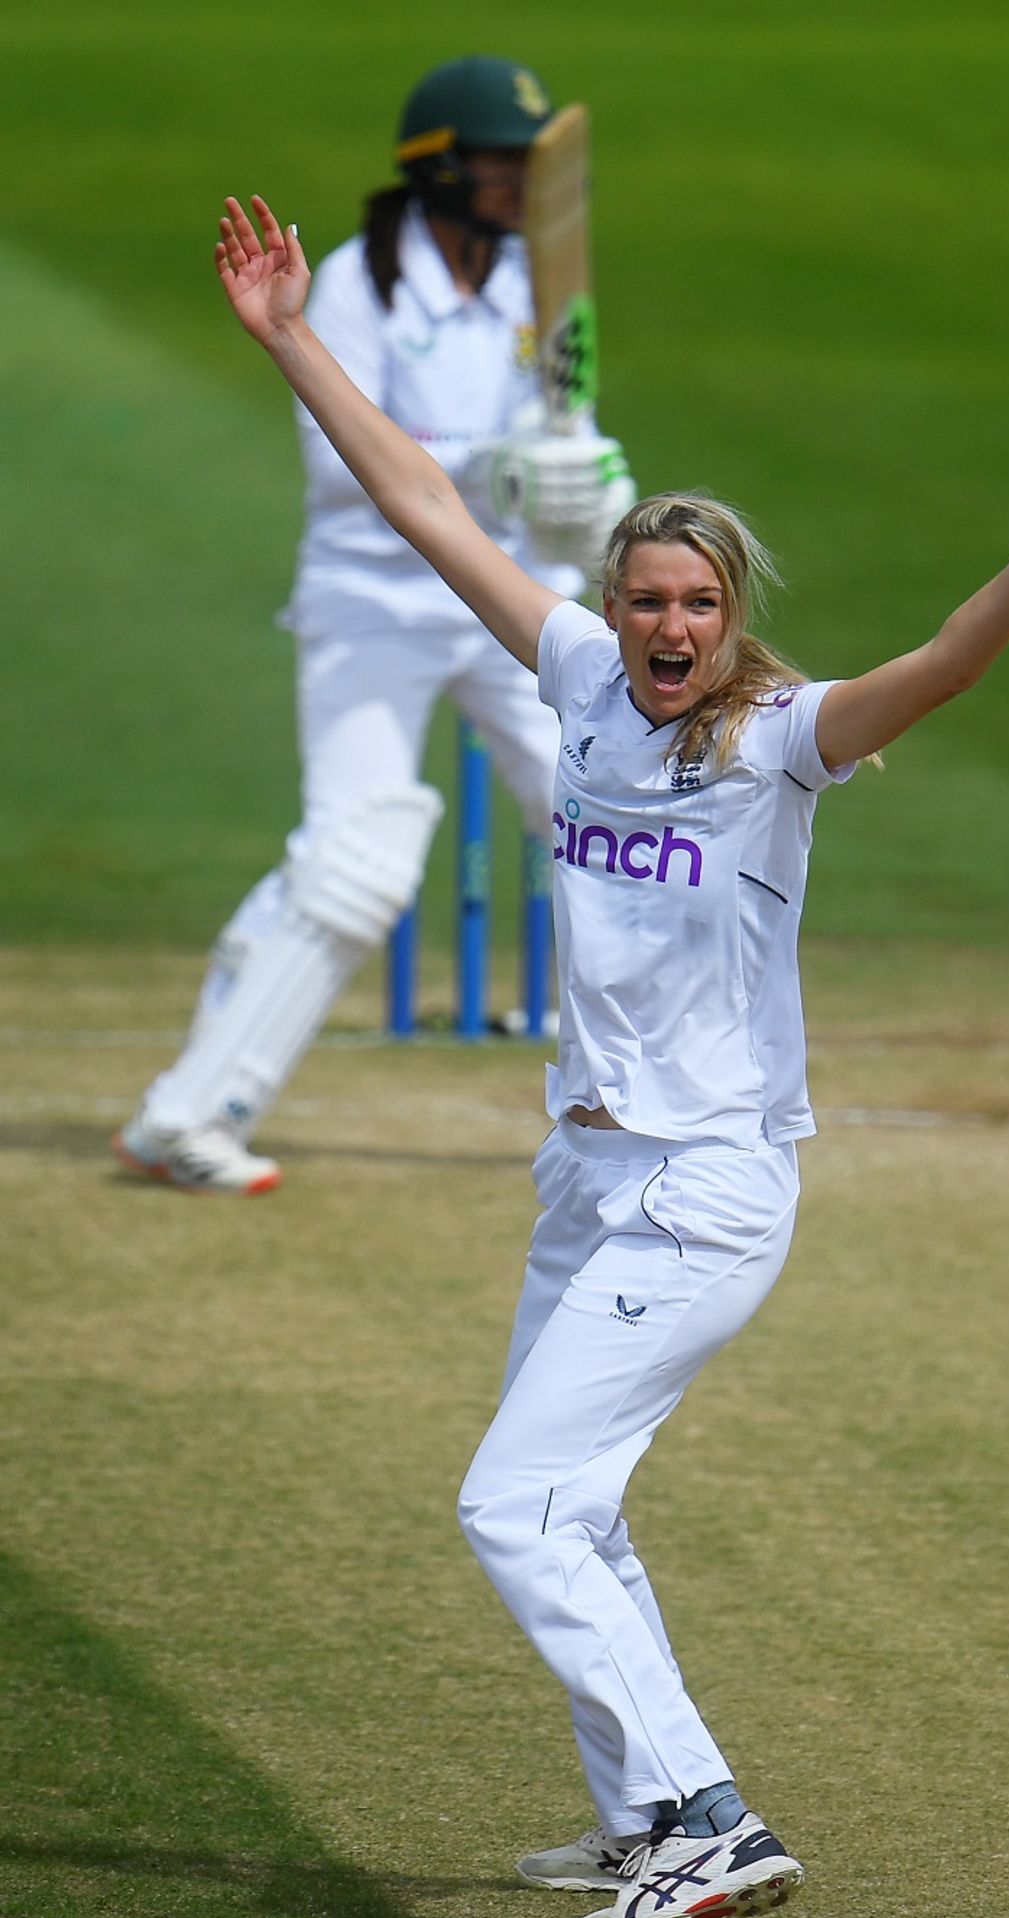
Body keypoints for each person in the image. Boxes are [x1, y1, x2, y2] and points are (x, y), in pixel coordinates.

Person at [212, 193, 1009, 1918]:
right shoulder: (574, 672)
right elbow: (422, 502)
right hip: (581, 1171)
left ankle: (708, 1815)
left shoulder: (782, 742)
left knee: (512, 1501)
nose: (663, 623)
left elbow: (943, 667)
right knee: (585, 1509)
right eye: (645, 594)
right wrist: (287, 339)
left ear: (731, 616)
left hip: (703, 1188)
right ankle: (635, 1809)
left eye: (694, 601)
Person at [112, 56, 634, 1195]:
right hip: (374, 600)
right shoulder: (357, 284)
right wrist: (504, 470)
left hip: (512, 601)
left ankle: (642, 1107)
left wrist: (588, 491)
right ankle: (185, 1119)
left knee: (614, 821)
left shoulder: (540, 285)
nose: (518, 182)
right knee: (359, 857)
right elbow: (337, 463)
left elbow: (567, 435)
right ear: (437, 165)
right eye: (500, 160)